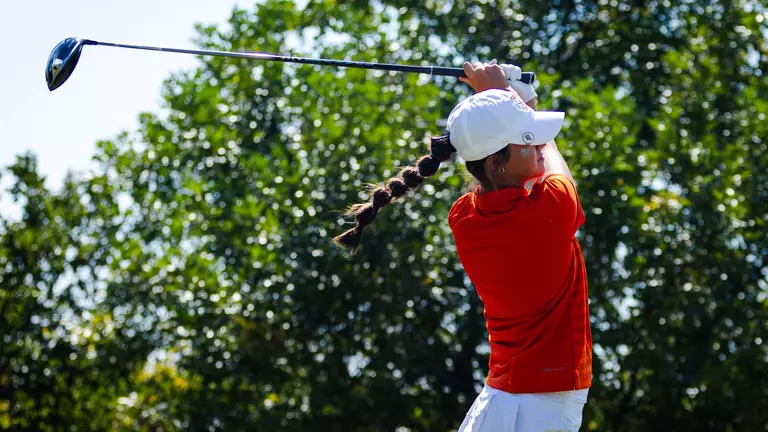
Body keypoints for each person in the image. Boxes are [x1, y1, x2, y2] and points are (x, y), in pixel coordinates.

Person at [334, 61, 592, 432]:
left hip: (504, 396)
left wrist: (503, 103)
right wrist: (504, 94)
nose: (536, 142)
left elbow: (526, 163)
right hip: (541, 404)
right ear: (495, 162)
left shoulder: (465, 217)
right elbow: (548, 161)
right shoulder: (550, 210)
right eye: (526, 138)